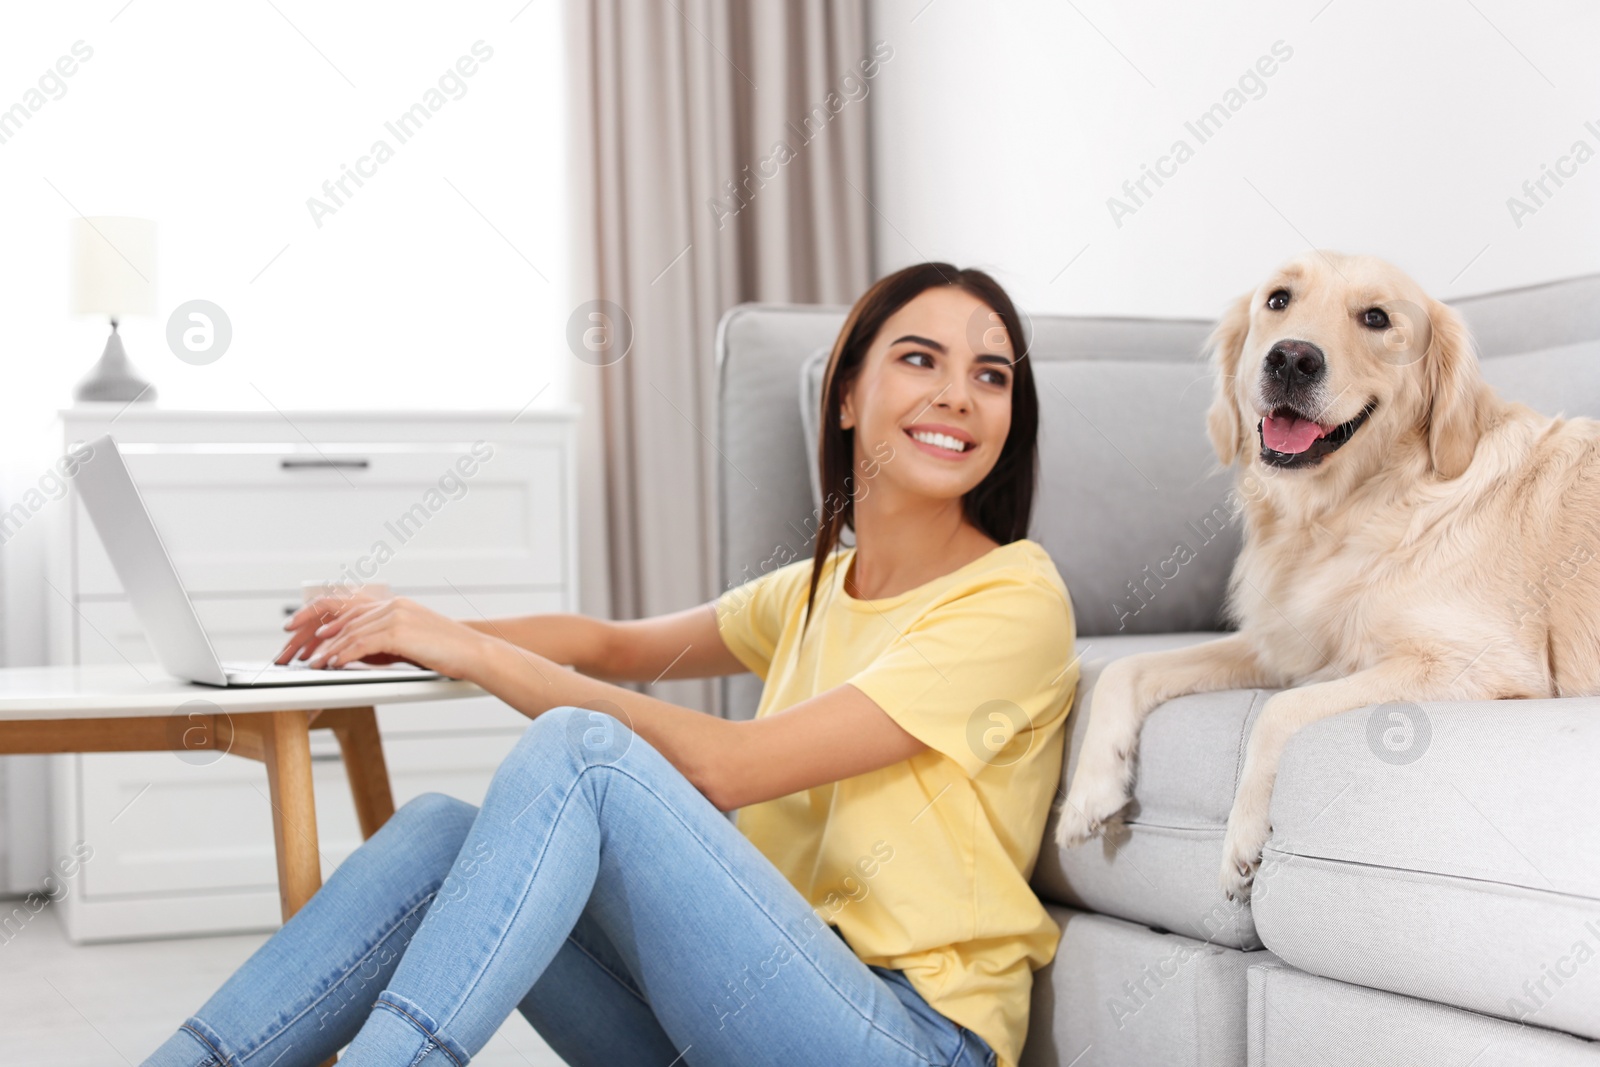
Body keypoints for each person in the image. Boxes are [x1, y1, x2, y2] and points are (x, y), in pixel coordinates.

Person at [141, 262, 1079, 1067]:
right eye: (921, 358)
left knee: (583, 752)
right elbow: (611, 642)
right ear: (844, 394)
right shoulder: (815, 589)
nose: (959, 393)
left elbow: (726, 767)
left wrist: (468, 650)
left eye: (991, 375)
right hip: (746, 1010)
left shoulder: (1012, 600)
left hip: (903, 1037)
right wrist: (420, 624)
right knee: (436, 833)